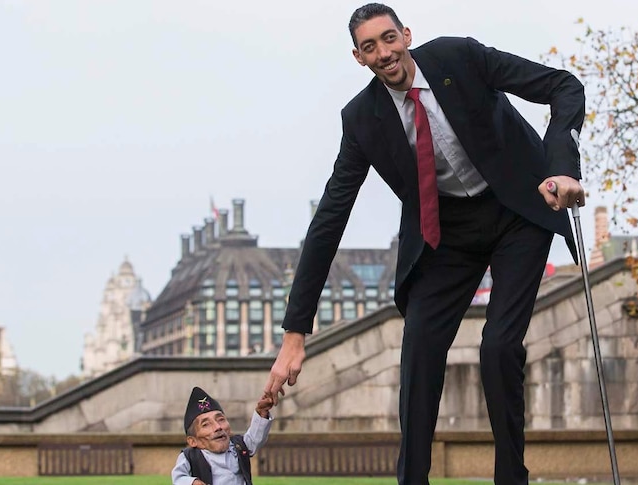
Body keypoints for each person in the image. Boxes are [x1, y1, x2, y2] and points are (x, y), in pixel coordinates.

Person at [263, 3, 585, 484]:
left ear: (406, 35)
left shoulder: (460, 58)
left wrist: (562, 165)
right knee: (418, 349)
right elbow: (330, 219)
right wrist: (295, 333)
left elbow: (563, 86)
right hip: (446, 234)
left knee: (497, 347)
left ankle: (511, 478)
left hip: (516, 210)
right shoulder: (362, 120)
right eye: (369, 47)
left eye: (389, 38)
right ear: (359, 58)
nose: (384, 53)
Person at [172, 387, 274, 485]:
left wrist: (261, 413)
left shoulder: (238, 446)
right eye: (206, 424)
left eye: (221, 419)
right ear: (193, 441)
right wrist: (192, 482)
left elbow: (255, 439)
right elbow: (178, 477)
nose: (218, 427)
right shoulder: (190, 456)